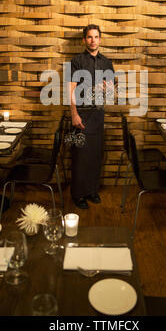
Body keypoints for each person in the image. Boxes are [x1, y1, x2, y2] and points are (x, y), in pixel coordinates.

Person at [69, 24, 114, 209]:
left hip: (98, 113)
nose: (93, 40)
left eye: (96, 37)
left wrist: (107, 89)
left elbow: (111, 92)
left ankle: (92, 190)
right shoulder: (77, 61)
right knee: (80, 155)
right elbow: (70, 90)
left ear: (100, 39)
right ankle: (78, 194)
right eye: (89, 37)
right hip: (81, 112)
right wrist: (73, 114)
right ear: (84, 40)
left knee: (95, 155)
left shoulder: (107, 62)